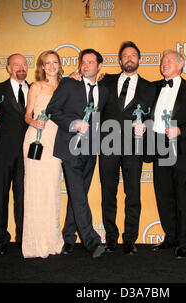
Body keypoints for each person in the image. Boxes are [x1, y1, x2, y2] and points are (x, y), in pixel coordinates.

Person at [46, 49, 109, 258]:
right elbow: (52, 111)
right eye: (83, 62)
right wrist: (73, 124)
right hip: (70, 147)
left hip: (91, 150)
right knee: (79, 194)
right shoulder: (69, 84)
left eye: (91, 62)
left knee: (78, 193)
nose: (86, 65)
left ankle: (69, 237)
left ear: (99, 66)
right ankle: (92, 241)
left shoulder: (105, 90)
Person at [98, 41, 155, 254]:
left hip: (134, 147)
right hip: (107, 144)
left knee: (133, 194)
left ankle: (130, 239)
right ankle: (111, 238)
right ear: (119, 60)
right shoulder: (105, 81)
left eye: (133, 55)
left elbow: (154, 117)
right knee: (108, 193)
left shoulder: (150, 87)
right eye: (125, 56)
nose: (129, 58)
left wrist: (145, 127)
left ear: (139, 59)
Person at [150, 50, 186, 259]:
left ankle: (183, 241)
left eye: (170, 60)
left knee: (181, 195)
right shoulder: (153, 87)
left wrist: (181, 130)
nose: (165, 63)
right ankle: (170, 236)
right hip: (158, 145)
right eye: (163, 60)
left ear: (181, 65)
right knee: (163, 194)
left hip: (180, 146)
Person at [21, 50, 64, 258]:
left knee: (52, 188)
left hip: (56, 140)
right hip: (36, 139)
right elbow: (27, 115)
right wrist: (34, 122)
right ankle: (35, 244)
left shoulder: (66, 86)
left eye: (55, 62)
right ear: (42, 67)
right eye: (48, 63)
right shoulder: (36, 86)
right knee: (35, 188)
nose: (52, 66)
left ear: (59, 65)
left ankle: (52, 241)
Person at [0, 54, 29, 255]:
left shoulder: (34, 89)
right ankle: (0, 238)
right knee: (0, 196)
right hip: (2, 153)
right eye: (16, 65)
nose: (21, 68)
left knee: (23, 197)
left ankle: (22, 238)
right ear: (8, 68)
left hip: (26, 155)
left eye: (24, 64)